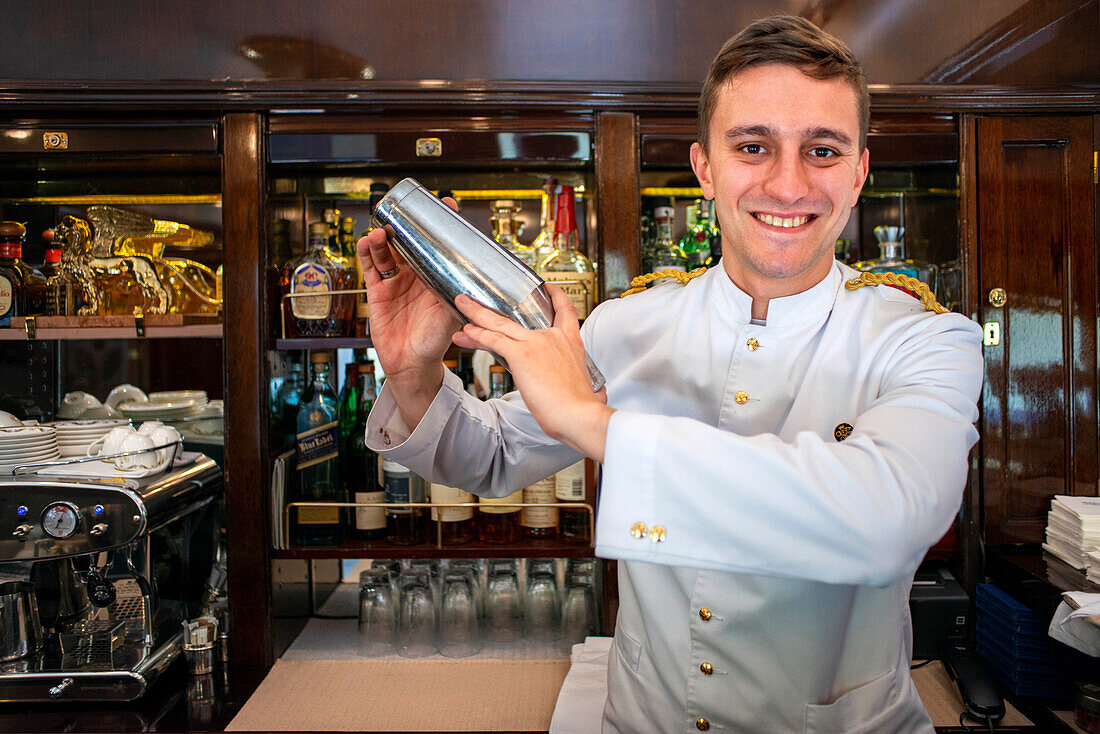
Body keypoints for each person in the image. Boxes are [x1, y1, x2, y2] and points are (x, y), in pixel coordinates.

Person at [357, 14, 982, 734]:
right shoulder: (630, 324)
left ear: (859, 173)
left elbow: (889, 522)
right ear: (705, 168)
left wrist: (594, 423)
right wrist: (412, 373)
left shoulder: (928, 339)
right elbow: (491, 456)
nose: (787, 183)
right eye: (753, 146)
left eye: (823, 149)